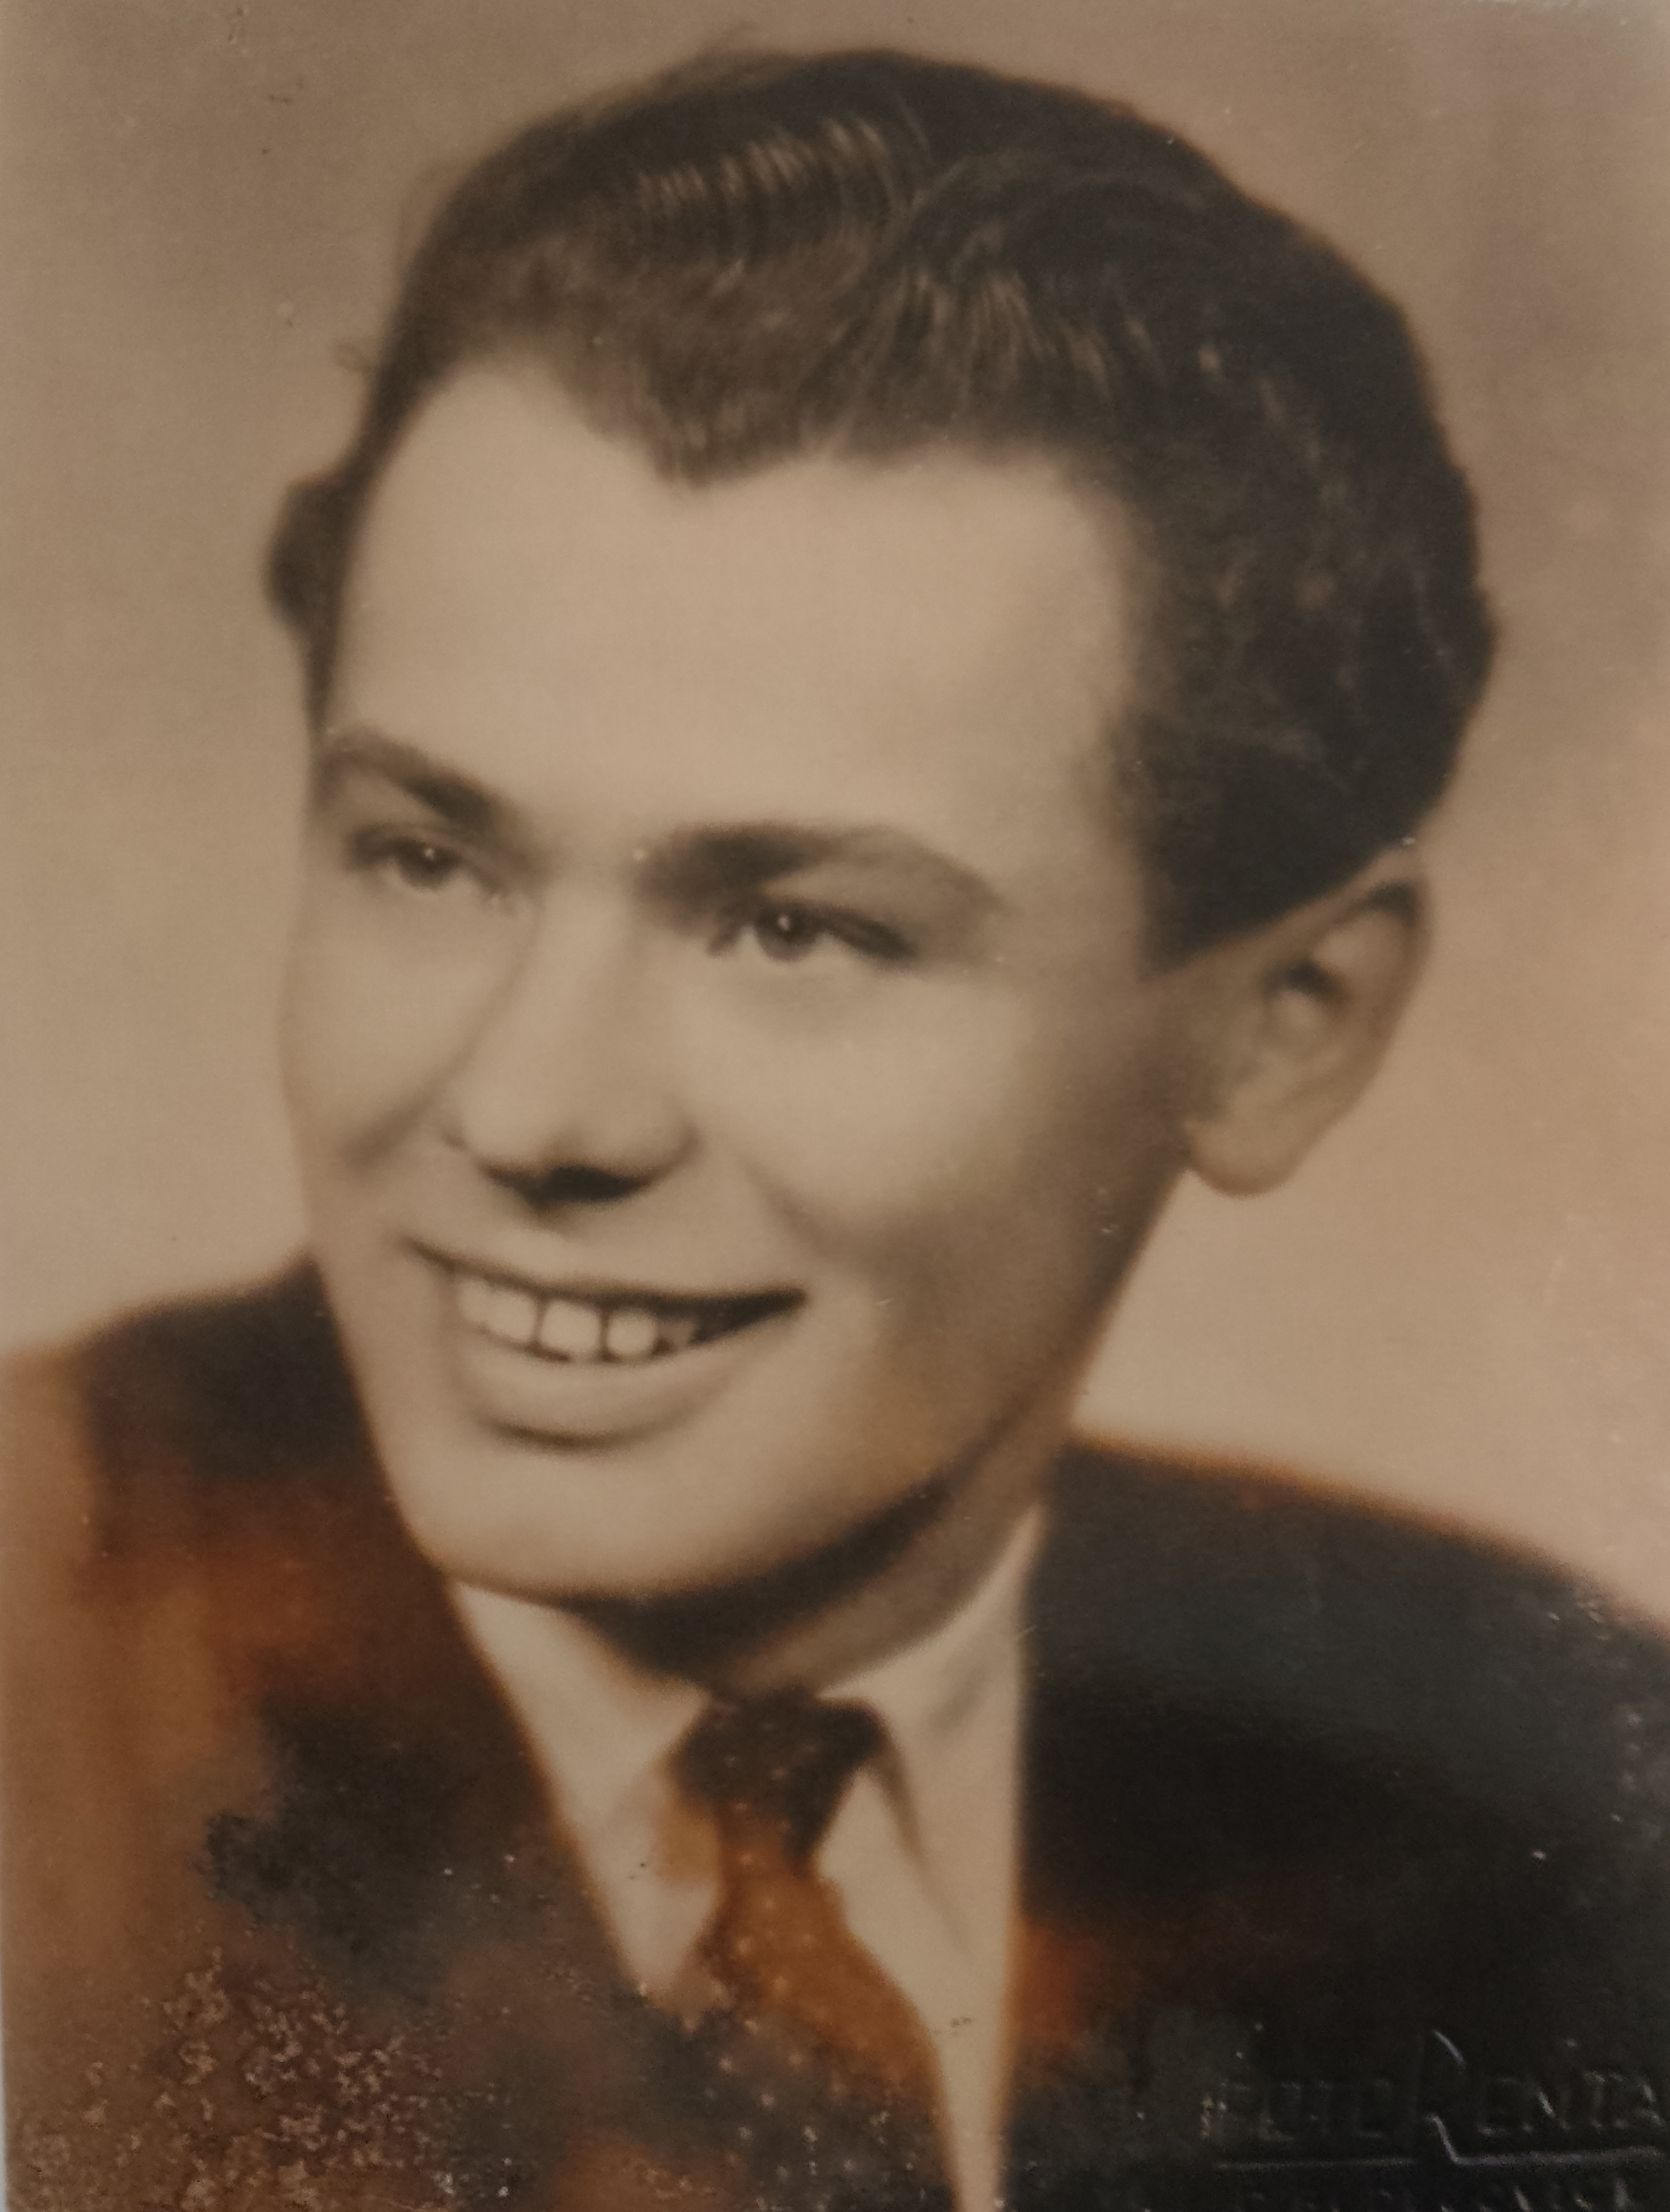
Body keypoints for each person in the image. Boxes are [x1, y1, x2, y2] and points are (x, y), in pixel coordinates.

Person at [4, 46, 1667, 2212]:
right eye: (430, 857)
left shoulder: (1543, 1809)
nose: (526, 1105)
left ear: (1283, 1030)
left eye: (795, 925)